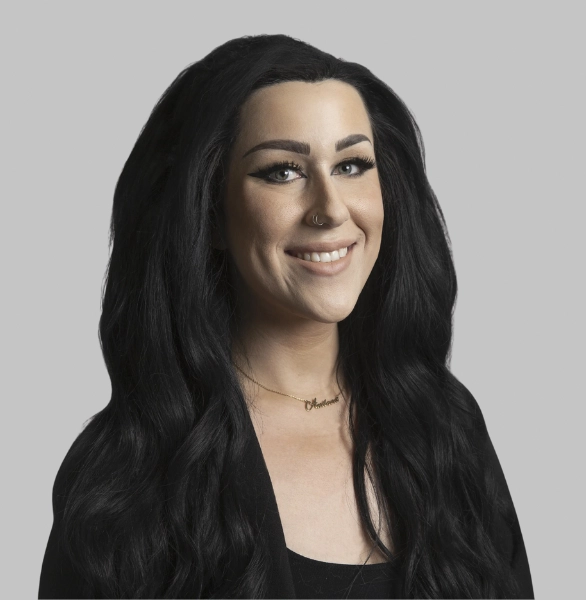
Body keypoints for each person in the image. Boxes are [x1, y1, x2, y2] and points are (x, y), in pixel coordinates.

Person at [38, 34, 534, 599]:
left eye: (352, 165)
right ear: (210, 212)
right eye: (282, 172)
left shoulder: (446, 428)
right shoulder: (125, 475)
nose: (330, 209)